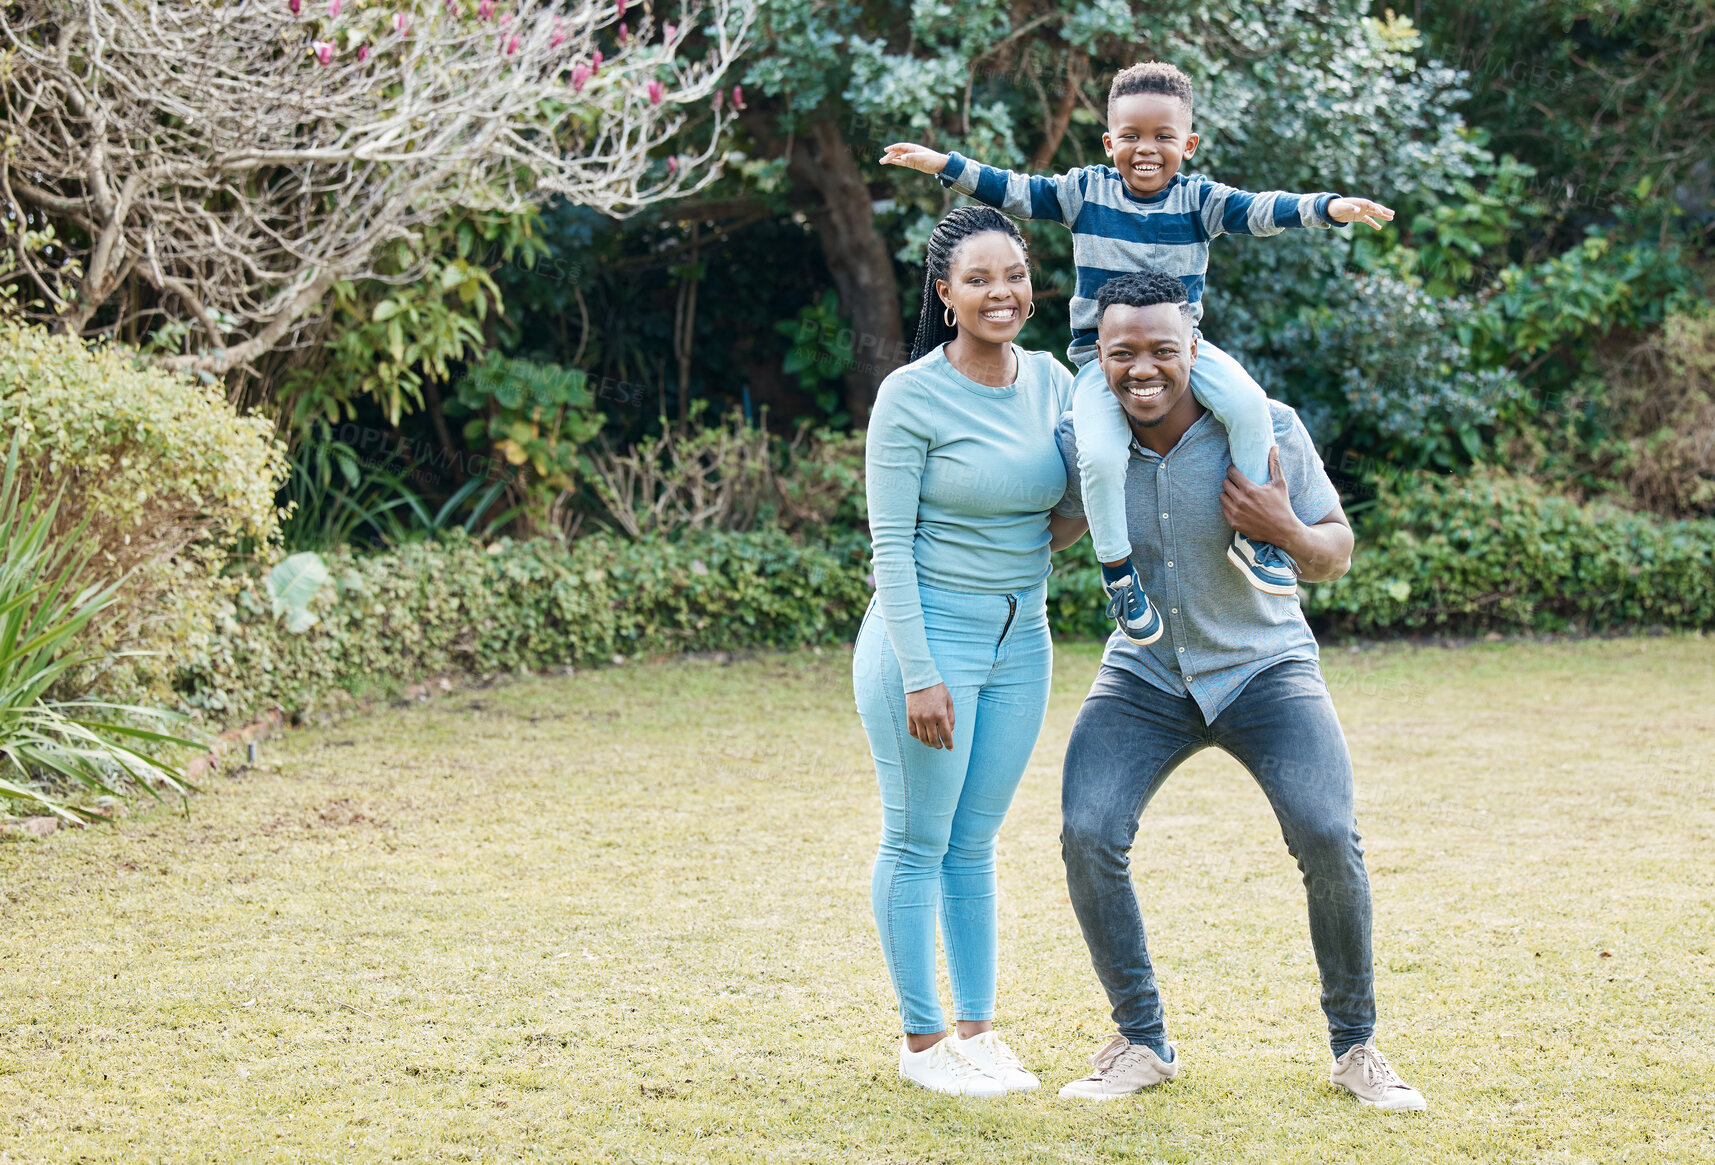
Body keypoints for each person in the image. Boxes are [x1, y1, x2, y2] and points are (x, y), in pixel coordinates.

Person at [1048, 268, 1427, 1111]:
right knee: (1087, 829)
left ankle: (1355, 1046)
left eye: (1160, 350)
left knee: (1327, 833)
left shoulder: (1265, 429)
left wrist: (1282, 528)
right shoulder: (1090, 443)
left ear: (1195, 348)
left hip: (1266, 667)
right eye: (1120, 352)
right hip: (1145, 672)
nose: (1140, 368)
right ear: (1098, 358)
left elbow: (1335, 550)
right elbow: (1046, 525)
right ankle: (1141, 1040)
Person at [880, 60, 1395, 649]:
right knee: (1099, 455)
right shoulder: (1084, 192)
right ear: (1109, 141)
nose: (1145, 149)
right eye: (1130, 136)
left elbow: (1262, 210)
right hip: (1103, 365)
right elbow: (1013, 190)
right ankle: (1120, 574)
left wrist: (1329, 208)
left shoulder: (1199, 201)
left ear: (1189, 144)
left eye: (1162, 137)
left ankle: (1259, 543)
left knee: (1251, 406)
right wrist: (943, 165)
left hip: (1189, 355)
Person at [853, 205, 1084, 1097]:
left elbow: (1055, 524)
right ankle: (920, 1046)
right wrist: (921, 674)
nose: (1002, 292)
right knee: (917, 841)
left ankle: (977, 1032)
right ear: (944, 293)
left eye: (1014, 275)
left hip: (1022, 639)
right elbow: (889, 547)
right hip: (926, 642)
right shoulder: (909, 395)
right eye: (978, 279)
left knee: (975, 842)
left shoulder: (1054, 382)